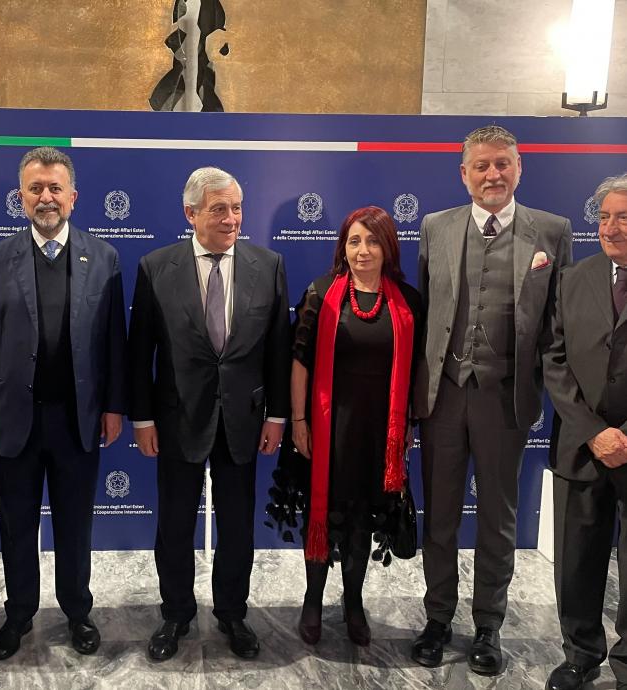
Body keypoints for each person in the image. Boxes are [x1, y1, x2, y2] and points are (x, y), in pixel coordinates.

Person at [412, 125, 572, 674]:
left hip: (506, 398)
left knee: (498, 520)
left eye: (502, 163)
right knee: (439, 515)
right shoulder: (435, 227)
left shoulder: (552, 231)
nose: (493, 174)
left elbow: (558, 324)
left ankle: (488, 626)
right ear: (464, 174)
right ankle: (437, 619)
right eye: (481, 165)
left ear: (519, 168)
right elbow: (425, 314)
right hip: (443, 397)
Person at [0, 147, 126, 660]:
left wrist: (114, 405)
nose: (46, 197)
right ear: (21, 197)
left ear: (73, 197)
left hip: (78, 419)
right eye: (36, 188)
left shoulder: (104, 257)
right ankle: (19, 614)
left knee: (76, 526)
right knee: (16, 526)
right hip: (13, 419)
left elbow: (113, 341)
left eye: (55, 188)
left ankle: (78, 611)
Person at [128, 166, 290, 661]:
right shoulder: (156, 267)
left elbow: (278, 350)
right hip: (177, 419)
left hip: (244, 420)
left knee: (237, 526)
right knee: (175, 524)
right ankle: (176, 613)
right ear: (191, 213)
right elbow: (140, 351)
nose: (231, 218)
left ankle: (232, 613)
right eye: (219, 209)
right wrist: (142, 419)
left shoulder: (269, 265)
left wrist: (278, 416)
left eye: (237, 208)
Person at [284, 206, 423, 647]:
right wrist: (299, 420)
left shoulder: (408, 301)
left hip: (379, 434)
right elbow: (300, 362)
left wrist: (407, 426)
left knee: (362, 518)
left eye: (372, 241)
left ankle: (354, 603)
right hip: (328, 431)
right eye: (354, 241)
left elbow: (415, 371)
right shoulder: (321, 293)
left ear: (388, 247)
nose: (363, 250)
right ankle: (312, 601)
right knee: (324, 515)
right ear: (342, 247)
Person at [543, 172, 627, 690]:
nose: (611, 228)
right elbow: (554, 360)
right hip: (582, 445)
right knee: (576, 561)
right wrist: (594, 431)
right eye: (605, 217)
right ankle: (580, 654)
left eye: (624, 218)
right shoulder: (574, 278)